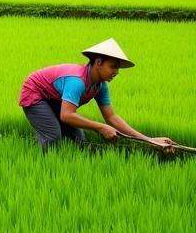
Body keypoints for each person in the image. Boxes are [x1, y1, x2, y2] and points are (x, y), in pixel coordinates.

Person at [18, 38, 174, 152]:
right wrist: (100, 127)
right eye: (113, 67)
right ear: (98, 62)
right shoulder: (77, 81)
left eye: (118, 68)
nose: (116, 72)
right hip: (35, 94)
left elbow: (112, 118)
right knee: (53, 136)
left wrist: (151, 141)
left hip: (54, 97)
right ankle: (48, 170)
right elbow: (66, 115)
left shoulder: (100, 87)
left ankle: (69, 167)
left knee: (77, 138)